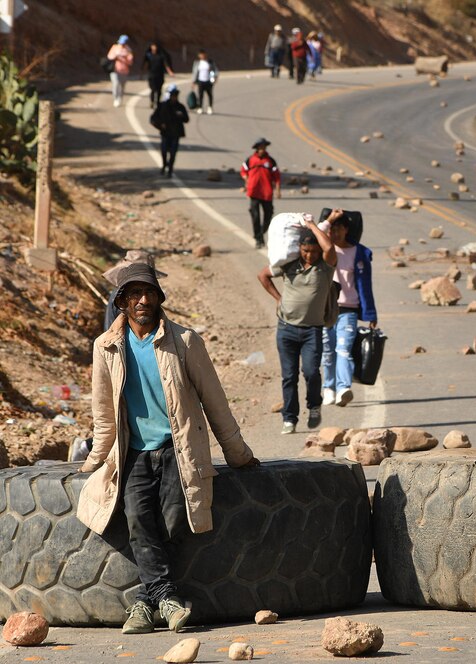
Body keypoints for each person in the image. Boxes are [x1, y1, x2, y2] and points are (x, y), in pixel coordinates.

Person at [77, 263, 260, 635]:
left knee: (176, 518)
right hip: (133, 453)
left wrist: (237, 454)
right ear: (123, 301)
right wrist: (93, 462)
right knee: (138, 520)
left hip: (178, 451)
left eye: (149, 293)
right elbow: (103, 413)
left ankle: (146, 603)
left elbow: (215, 402)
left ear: (160, 299)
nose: (143, 300)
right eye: (134, 294)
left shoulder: (185, 341)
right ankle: (164, 598)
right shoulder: (106, 347)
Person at [257, 215, 340, 434]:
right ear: (299, 248)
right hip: (286, 329)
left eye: (313, 251)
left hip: (312, 330)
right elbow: (263, 275)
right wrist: (277, 298)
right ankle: (289, 418)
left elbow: (329, 247)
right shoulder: (289, 264)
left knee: (312, 372)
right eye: (305, 251)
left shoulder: (325, 267)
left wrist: (311, 224)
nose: (310, 255)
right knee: (289, 375)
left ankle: (314, 407)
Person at [317, 213, 378, 408]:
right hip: (326, 308)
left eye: (339, 229)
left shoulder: (358, 253)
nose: (335, 233)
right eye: (332, 229)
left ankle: (343, 388)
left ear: (347, 230)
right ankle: (328, 388)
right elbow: (313, 234)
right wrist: (328, 219)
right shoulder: (323, 250)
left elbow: (365, 286)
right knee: (328, 350)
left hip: (348, 309)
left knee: (343, 349)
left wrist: (371, 314)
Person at [240, 138, 281, 249]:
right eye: (261, 147)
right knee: (255, 216)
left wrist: (278, 190)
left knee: (268, 215)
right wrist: (247, 180)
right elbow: (243, 171)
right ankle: (258, 239)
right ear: (257, 148)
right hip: (254, 191)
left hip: (267, 193)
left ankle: (261, 233)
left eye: (264, 147)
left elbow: (277, 176)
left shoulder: (270, 161)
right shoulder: (250, 160)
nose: (263, 149)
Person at [150, 84, 189, 178]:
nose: (174, 98)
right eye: (173, 96)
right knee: (163, 151)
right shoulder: (163, 106)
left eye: (176, 96)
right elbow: (153, 119)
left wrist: (181, 115)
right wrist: (160, 125)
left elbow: (186, 119)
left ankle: (170, 169)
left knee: (173, 153)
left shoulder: (180, 107)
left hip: (176, 133)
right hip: (165, 133)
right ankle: (164, 165)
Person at [142, 42, 174, 109]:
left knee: (159, 90)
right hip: (151, 75)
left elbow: (166, 64)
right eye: (153, 46)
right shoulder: (148, 55)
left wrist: (170, 72)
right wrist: (141, 73)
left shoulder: (161, 55)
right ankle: (152, 101)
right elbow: (145, 63)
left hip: (160, 75)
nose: (154, 48)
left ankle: (158, 102)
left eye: (155, 46)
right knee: (153, 89)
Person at [107, 35, 134, 107]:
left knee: (122, 86)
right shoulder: (115, 47)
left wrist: (124, 58)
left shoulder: (128, 50)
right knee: (115, 84)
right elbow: (109, 56)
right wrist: (115, 56)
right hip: (115, 70)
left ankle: (120, 98)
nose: (122, 44)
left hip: (124, 71)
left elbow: (130, 61)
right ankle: (115, 98)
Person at [191, 49, 218, 115]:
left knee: (209, 95)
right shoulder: (197, 63)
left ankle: (210, 107)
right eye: (201, 54)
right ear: (199, 55)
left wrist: (215, 78)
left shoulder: (210, 62)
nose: (202, 56)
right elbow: (194, 73)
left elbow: (215, 70)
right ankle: (200, 107)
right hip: (200, 81)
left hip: (208, 81)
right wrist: (193, 82)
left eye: (203, 54)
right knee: (200, 95)